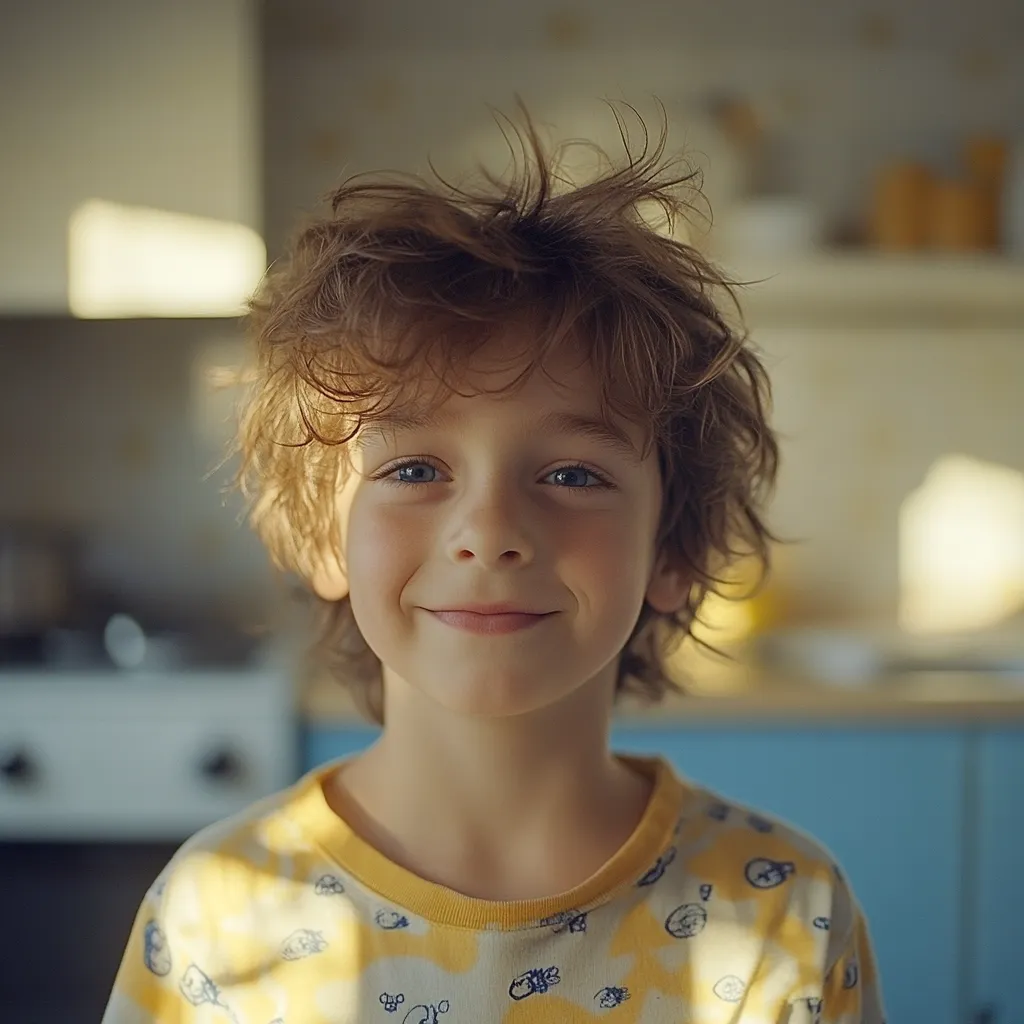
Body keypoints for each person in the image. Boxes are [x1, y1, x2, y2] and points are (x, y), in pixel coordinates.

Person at [103, 98, 885, 1023]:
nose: (489, 529)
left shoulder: (783, 914)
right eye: (415, 468)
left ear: (670, 548)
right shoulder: (215, 915)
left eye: (571, 472)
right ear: (323, 536)